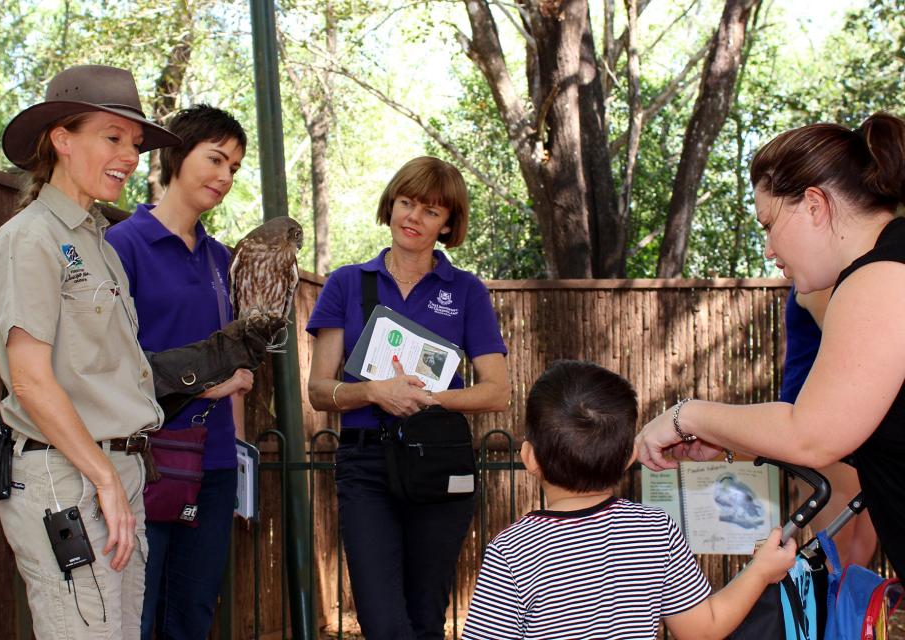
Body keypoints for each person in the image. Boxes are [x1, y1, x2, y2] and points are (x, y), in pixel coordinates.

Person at [635, 112, 905, 578]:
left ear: (815, 205)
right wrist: (726, 440)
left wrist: (687, 415)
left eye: (768, 224)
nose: (768, 249)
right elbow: (848, 431)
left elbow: (812, 434)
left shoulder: (879, 276)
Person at [0, 65, 183, 637]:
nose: (131, 155)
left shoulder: (99, 243)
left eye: (136, 144)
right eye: (113, 137)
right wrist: (104, 478)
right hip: (66, 474)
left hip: (116, 469)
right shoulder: (29, 239)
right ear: (62, 139)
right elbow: (32, 381)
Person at [306, 156, 509, 639]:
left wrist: (428, 399)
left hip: (439, 463)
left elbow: (497, 391)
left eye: (431, 211)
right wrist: (375, 392)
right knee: (382, 620)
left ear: (448, 224)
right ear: (391, 204)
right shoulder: (347, 283)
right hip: (365, 467)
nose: (414, 218)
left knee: (425, 617)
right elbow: (318, 390)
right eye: (407, 203)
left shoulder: (466, 291)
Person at [462, 360, 797, 639]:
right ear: (629, 457)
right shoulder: (655, 530)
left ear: (529, 458)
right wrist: (760, 571)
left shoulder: (512, 550)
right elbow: (704, 629)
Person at [106, 104, 251, 639]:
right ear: (176, 156)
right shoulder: (123, 246)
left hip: (213, 465)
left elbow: (232, 359)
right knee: (137, 615)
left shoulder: (221, 260)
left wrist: (239, 454)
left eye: (234, 167)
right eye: (215, 159)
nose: (225, 176)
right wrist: (206, 383)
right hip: (142, 463)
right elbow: (106, 364)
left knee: (192, 616)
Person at [780, 286, 877, 566]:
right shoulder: (816, 284)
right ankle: (832, 610)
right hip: (819, 422)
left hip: (858, 422)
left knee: (859, 554)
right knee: (838, 554)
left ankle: (853, 612)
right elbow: (847, 347)